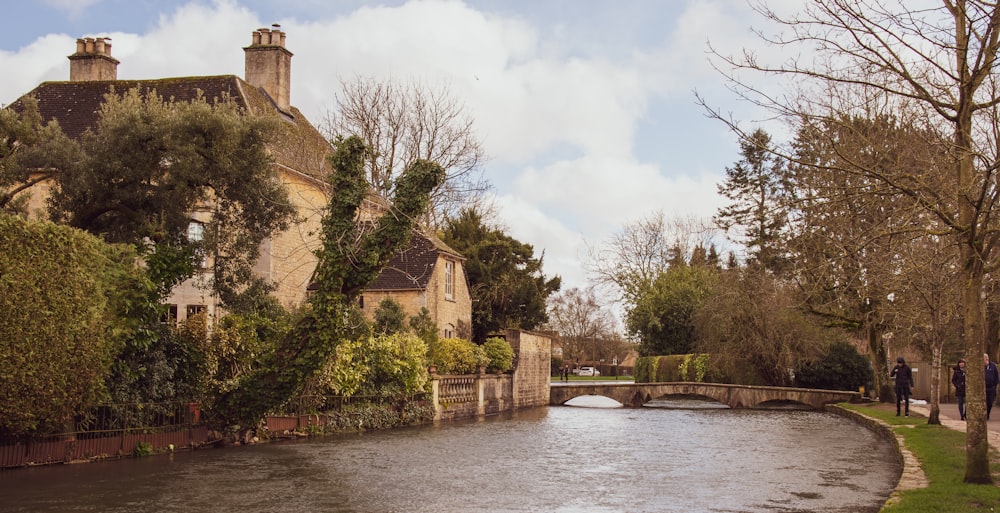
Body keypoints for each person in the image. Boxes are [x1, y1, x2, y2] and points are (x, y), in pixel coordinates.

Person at [985, 353, 1000, 420]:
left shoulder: (993, 366)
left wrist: (995, 384)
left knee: (990, 402)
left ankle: (987, 413)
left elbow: (997, 376)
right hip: (982, 388)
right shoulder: (980, 366)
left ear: (987, 359)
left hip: (991, 387)